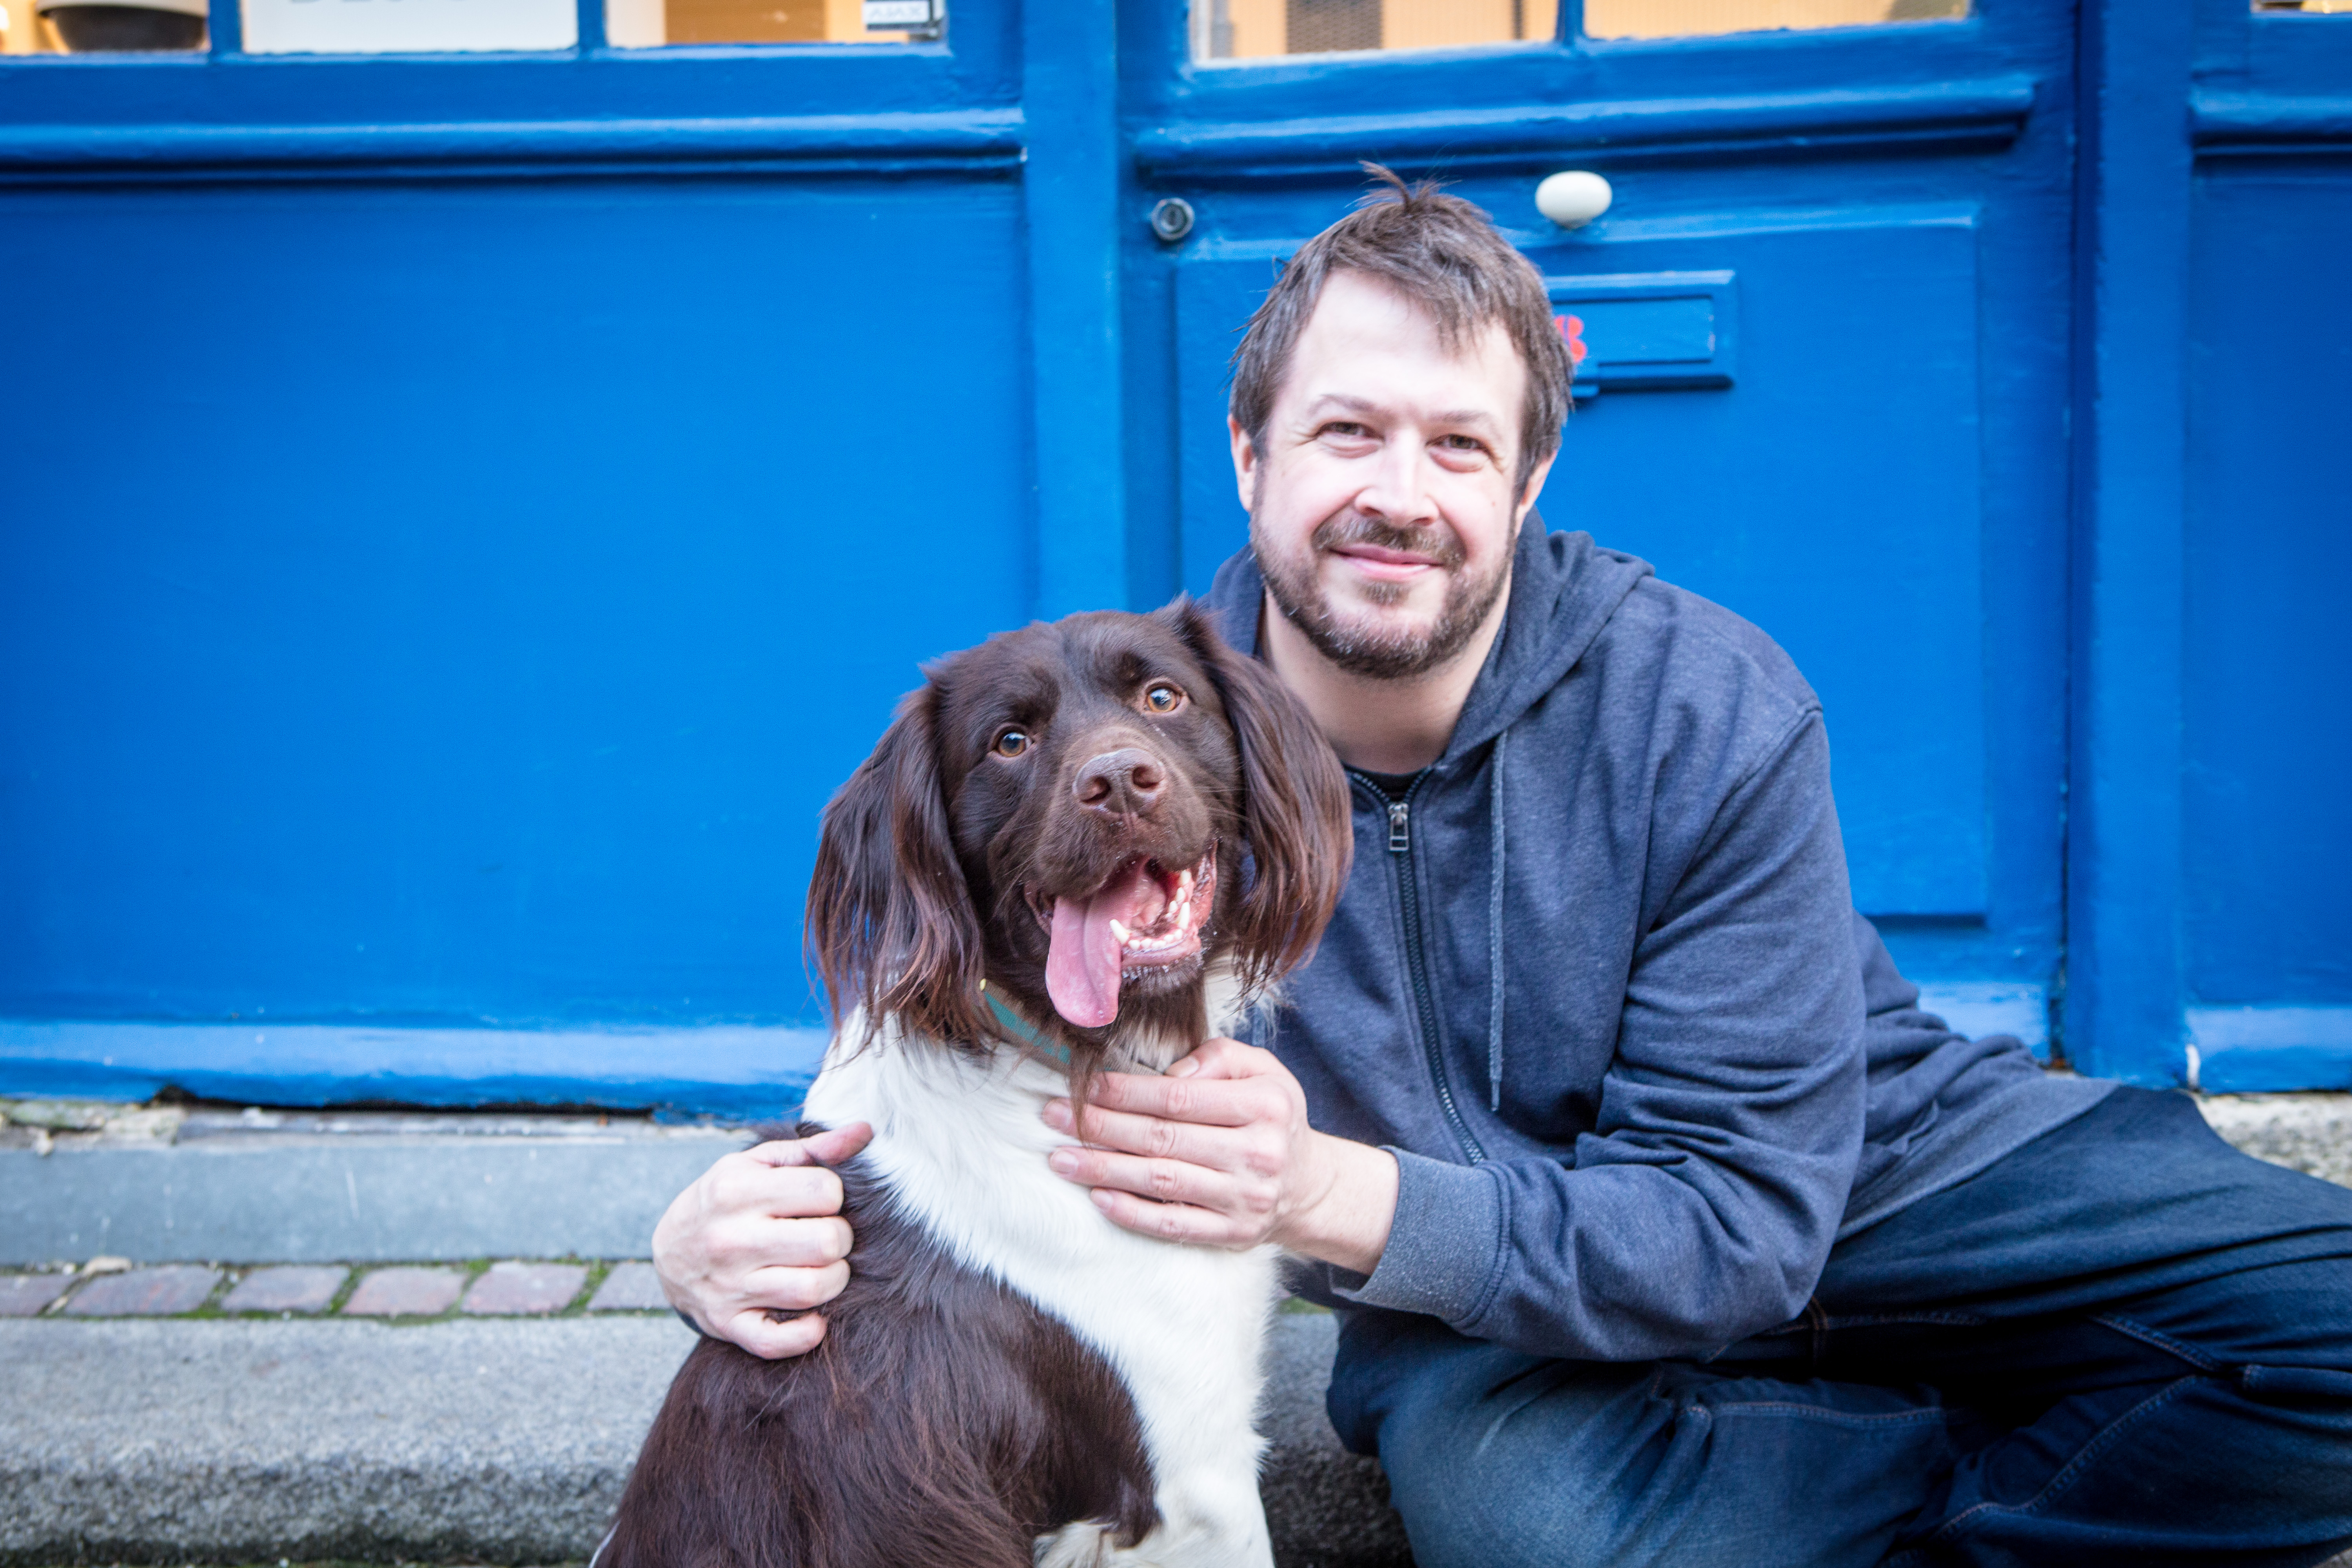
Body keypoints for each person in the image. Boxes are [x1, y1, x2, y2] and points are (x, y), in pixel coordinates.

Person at [653, 172, 2352, 1566]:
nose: (1398, 497)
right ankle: (1983, 1461)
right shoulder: (1163, 748)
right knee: (1532, 1525)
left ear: (1530, 477)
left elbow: (1745, 1209)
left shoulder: (1704, 700)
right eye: (1346, 432)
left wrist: (1320, 1192)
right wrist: (710, 1234)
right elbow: (940, 1050)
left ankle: (1868, 1467)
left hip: (1844, 1183)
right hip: (1489, 1298)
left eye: (1458, 446)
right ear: (1250, 457)